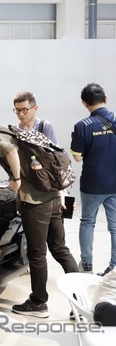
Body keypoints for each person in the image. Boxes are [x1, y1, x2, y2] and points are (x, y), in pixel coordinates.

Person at [0, 111, 79, 318]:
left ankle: (38, 302)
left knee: (37, 254)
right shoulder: (9, 129)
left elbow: (11, 152)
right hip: (51, 196)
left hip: (35, 203)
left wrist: (16, 180)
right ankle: (80, 300)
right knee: (60, 249)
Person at [71, 83, 116, 277]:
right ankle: (114, 266)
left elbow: (78, 157)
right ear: (105, 99)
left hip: (92, 183)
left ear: (84, 103)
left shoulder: (82, 126)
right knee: (114, 226)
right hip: (115, 183)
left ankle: (86, 265)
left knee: (87, 223)